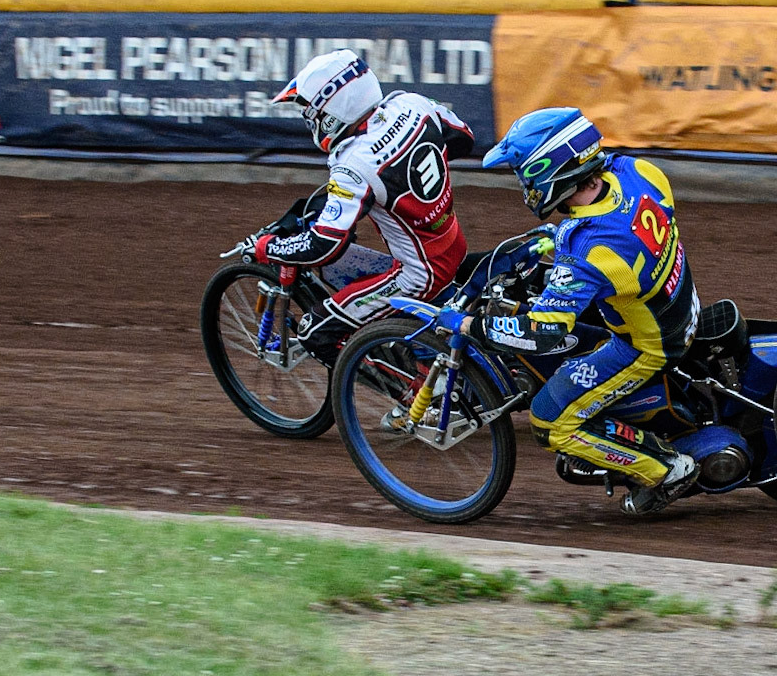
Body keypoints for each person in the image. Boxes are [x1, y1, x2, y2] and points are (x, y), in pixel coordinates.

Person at [440, 107, 702, 517]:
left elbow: (543, 332)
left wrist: (472, 326)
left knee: (548, 420)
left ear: (550, 172)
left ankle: (666, 470)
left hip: (648, 344)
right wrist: (554, 239)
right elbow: (614, 225)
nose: (523, 184)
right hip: (675, 300)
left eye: (525, 175)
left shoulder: (588, 251)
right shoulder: (638, 171)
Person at [237, 49, 472, 365]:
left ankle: (407, 397)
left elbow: (323, 246)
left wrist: (267, 248)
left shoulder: (353, 162)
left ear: (332, 107)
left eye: (312, 112)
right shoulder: (411, 103)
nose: (311, 120)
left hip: (418, 275)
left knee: (313, 331)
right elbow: (463, 138)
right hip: (452, 241)